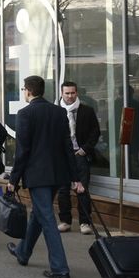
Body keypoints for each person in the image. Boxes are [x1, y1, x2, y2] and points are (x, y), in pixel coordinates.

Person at [7, 76, 85, 278]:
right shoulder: (59, 112)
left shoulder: (25, 113)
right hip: (57, 174)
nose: (24, 92)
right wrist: (74, 176)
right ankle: (23, 252)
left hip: (37, 175)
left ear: (29, 91)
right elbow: (68, 146)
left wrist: (13, 179)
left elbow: (22, 150)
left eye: (24, 89)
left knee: (47, 218)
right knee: (39, 214)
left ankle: (60, 267)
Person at [56, 81, 100, 235]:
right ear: (61, 93)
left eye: (72, 93)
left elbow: (95, 132)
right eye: (67, 93)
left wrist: (84, 150)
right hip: (62, 156)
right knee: (63, 189)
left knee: (82, 189)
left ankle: (85, 222)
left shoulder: (86, 111)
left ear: (77, 93)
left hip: (79, 154)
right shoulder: (55, 111)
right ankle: (65, 221)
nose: (69, 96)